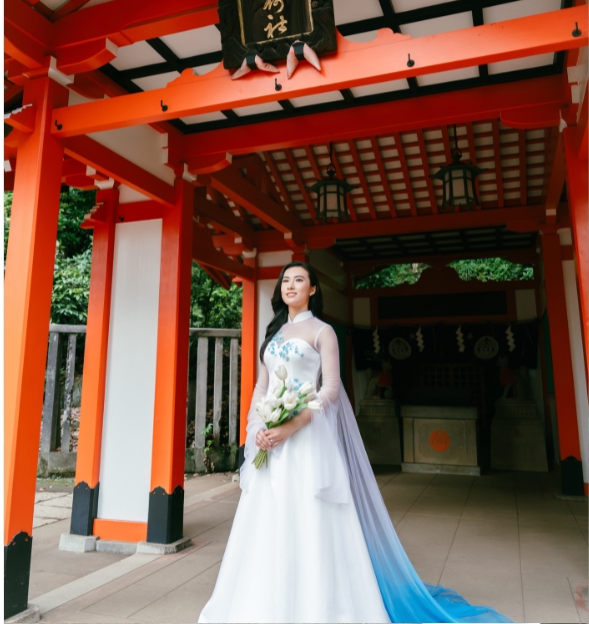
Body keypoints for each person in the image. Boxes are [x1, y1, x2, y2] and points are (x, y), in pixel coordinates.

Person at [198, 262, 511, 624]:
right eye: (286, 280)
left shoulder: (323, 332)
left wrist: (292, 423)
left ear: (313, 289)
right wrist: (257, 426)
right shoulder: (274, 333)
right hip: (271, 443)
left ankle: (321, 608)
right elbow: (260, 387)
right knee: (268, 522)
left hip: (307, 439)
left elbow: (330, 388)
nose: (291, 285)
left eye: (299, 280)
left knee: (311, 518)